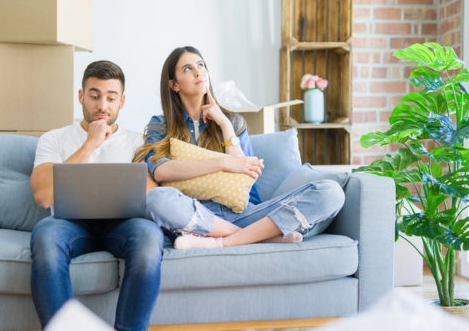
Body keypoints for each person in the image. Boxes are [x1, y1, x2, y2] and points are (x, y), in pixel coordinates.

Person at [133, 46, 345, 249]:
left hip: (244, 214)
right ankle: (260, 238)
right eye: (187, 69)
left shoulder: (232, 122)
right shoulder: (160, 125)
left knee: (331, 192)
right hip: (194, 215)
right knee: (156, 199)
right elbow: (160, 170)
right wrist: (222, 162)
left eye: (201, 65)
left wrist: (224, 125)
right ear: (174, 85)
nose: (198, 72)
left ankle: (225, 241)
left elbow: (247, 175)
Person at [29, 60, 164, 331]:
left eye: (111, 97)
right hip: (69, 224)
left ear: (122, 101)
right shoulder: (54, 139)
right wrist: (90, 143)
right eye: (94, 95)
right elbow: (43, 196)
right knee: (44, 239)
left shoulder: (137, 142)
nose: (102, 105)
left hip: (123, 225)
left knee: (150, 239)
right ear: (80, 96)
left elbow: (153, 194)